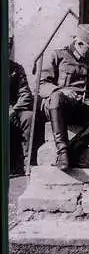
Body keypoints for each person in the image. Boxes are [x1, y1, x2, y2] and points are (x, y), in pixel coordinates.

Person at [39, 24, 89, 171]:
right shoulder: (58, 55)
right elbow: (42, 84)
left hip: (86, 105)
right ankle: (62, 151)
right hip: (60, 107)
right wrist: (61, 90)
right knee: (56, 97)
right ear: (78, 43)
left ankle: (75, 147)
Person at [9, 36, 39, 175]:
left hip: (13, 109)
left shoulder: (16, 69)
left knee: (29, 117)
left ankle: (27, 163)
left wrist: (14, 110)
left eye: (9, 47)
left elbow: (25, 94)